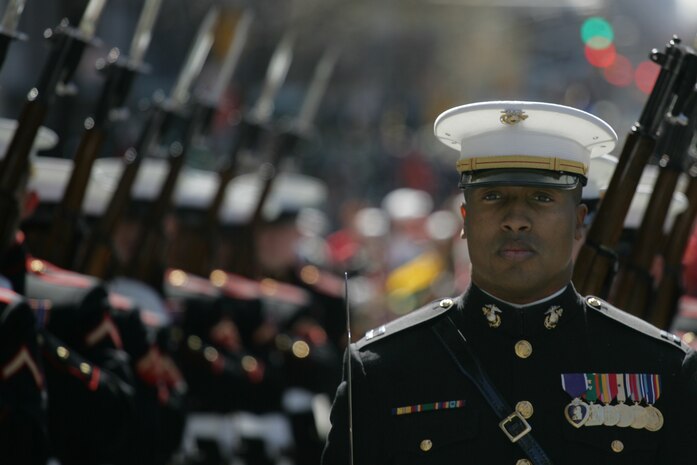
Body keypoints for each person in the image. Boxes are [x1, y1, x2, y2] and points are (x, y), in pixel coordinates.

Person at [321, 100, 697, 464]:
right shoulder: (384, 369)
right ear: (465, 219)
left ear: (579, 221)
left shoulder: (661, 368)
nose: (516, 218)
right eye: (493, 196)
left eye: (542, 197)